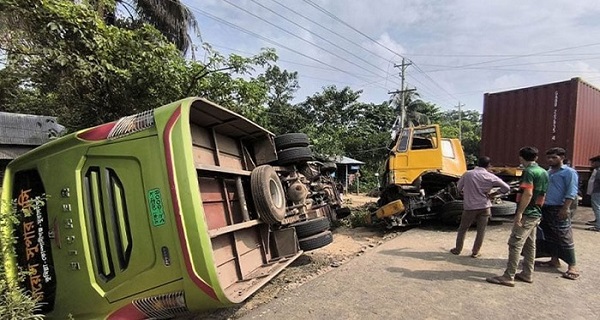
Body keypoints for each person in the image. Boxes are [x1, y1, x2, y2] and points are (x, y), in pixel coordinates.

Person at [486, 146, 549, 287]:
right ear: (536, 157)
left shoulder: (529, 172)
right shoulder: (543, 172)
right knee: (529, 245)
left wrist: (519, 213)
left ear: (521, 157)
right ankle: (527, 273)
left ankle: (509, 276)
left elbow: (528, 193)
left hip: (528, 213)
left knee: (515, 244)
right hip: (537, 212)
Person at [450, 156, 510, 258]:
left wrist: (465, 192)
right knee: (481, 230)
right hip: (484, 206)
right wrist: (493, 194)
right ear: (489, 165)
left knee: (463, 228)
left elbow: (459, 188)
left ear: (477, 163)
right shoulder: (491, 176)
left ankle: (457, 249)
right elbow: (506, 188)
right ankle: (475, 252)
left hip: (470, 206)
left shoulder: (468, 174)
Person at [535, 147, 580, 280]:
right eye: (548, 157)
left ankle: (572, 265)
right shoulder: (549, 172)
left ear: (562, 158)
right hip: (547, 207)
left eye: (554, 157)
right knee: (550, 235)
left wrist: (565, 208)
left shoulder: (569, 172)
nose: (550, 160)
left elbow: (571, 191)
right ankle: (554, 260)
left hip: (560, 207)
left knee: (564, 236)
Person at [586, 155, 600, 231]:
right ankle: (597, 221)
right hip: (596, 191)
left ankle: (598, 226)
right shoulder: (596, 170)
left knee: (597, 207)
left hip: (597, 192)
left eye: (593, 163)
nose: (592, 164)